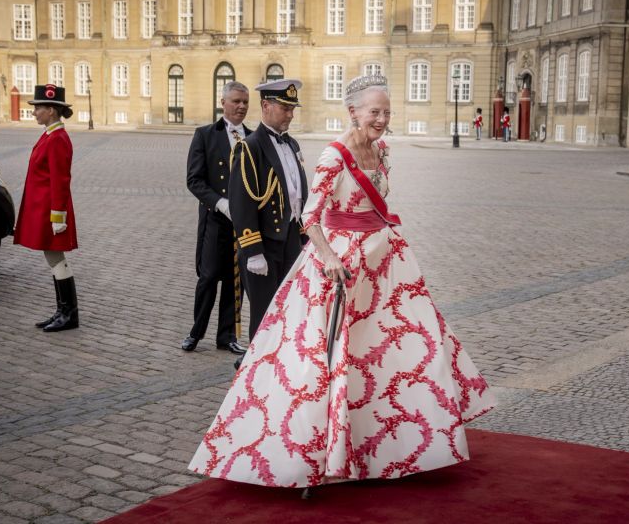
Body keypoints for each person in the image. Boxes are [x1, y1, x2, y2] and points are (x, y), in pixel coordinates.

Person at [188, 74, 496, 488]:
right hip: (342, 265)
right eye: (375, 112)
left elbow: (376, 201)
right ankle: (320, 448)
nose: (382, 119)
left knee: (400, 347)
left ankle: (396, 443)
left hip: (384, 261)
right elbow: (311, 216)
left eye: (386, 112)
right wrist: (327, 256)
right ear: (353, 113)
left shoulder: (383, 151)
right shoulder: (333, 156)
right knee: (329, 357)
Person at [228, 78, 307, 368]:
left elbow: (298, 192)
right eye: (284, 108)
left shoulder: (292, 143)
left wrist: (303, 235)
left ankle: (278, 366)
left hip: (289, 240)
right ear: (265, 106)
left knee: (288, 309)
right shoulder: (250, 147)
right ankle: (254, 368)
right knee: (264, 313)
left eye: (292, 108)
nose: (290, 114)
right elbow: (241, 203)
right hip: (263, 244)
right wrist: (253, 250)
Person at [181, 81, 251, 355]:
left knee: (237, 281)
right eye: (236, 101)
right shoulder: (205, 135)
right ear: (223, 102)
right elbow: (194, 180)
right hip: (216, 219)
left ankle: (228, 336)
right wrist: (222, 204)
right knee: (209, 277)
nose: (241, 106)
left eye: (245, 102)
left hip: (244, 224)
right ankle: (195, 332)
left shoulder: (254, 138)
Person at [14, 84, 79, 332]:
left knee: (55, 257)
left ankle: (69, 314)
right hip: (42, 209)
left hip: (51, 211)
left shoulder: (58, 139)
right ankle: (63, 311)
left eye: (38, 108)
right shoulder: (50, 135)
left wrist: (58, 216)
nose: (34, 112)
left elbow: (60, 181)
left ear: (51, 110)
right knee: (52, 258)